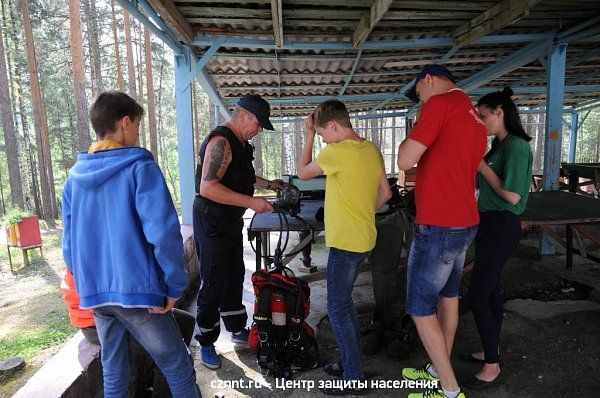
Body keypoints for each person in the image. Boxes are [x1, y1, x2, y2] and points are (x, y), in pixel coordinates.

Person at [62, 91, 199, 398]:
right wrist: (174, 286)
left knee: (115, 371)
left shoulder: (74, 179)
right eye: (137, 123)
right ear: (125, 122)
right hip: (140, 294)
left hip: (98, 296)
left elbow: (69, 248)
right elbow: (163, 234)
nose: (137, 131)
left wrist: (90, 284)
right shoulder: (140, 168)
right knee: (178, 366)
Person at [397, 65, 486, 398]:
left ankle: (449, 390)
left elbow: (405, 160)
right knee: (448, 298)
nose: (420, 102)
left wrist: (419, 123)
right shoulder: (471, 112)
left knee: (420, 308)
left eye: (419, 94)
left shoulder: (440, 105)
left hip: (438, 225)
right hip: (464, 222)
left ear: (429, 80)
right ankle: (438, 368)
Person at [297, 99, 392, 396]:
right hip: (364, 237)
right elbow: (386, 194)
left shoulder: (336, 151)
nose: (324, 137)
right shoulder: (371, 149)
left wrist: (309, 133)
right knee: (344, 304)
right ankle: (352, 363)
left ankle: (354, 377)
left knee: (337, 307)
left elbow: (302, 173)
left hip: (346, 243)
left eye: (325, 133)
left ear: (334, 126)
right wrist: (363, 212)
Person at [193, 93, 284, 370]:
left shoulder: (241, 144)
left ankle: (235, 327)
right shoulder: (221, 141)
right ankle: (206, 341)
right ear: (243, 115)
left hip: (230, 221)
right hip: (212, 222)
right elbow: (207, 188)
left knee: (234, 275)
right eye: (257, 124)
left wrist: (268, 184)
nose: (259, 130)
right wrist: (252, 203)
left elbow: (241, 176)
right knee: (213, 282)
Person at [460, 88, 533, 389]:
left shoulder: (516, 147)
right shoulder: (498, 145)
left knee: (477, 295)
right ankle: (492, 350)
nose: (481, 121)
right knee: (490, 292)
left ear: (500, 112)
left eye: (484, 115)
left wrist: (480, 166)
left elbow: (512, 195)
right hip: (488, 223)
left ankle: (492, 366)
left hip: (503, 224)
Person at [61, 268, 197, 397]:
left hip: (107, 304)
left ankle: (161, 390)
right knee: (173, 359)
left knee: (185, 322)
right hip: (102, 312)